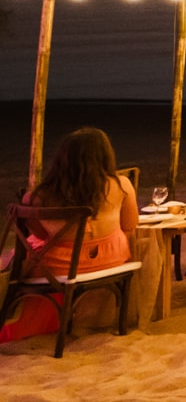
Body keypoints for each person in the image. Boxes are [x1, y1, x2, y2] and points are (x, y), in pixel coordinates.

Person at [0, 129, 138, 344]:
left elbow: (39, 234)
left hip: (59, 267)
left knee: (24, 255)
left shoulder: (37, 196)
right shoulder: (121, 185)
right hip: (113, 260)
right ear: (105, 155)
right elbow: (130, 225)